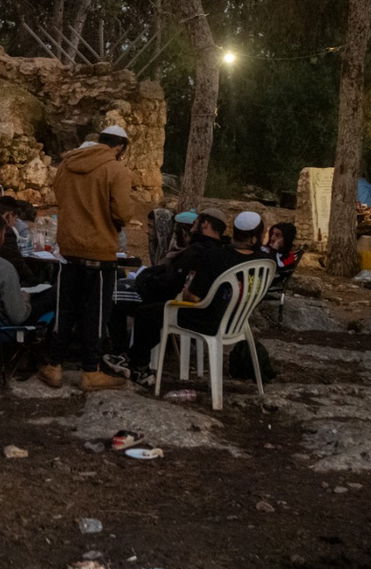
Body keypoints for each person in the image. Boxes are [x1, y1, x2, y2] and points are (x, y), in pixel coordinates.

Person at [121, 210, 269, 384]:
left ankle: (137, 365)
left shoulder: (216, 256)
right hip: (237, 321)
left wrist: (184, 293)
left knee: (146, 313)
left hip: (206, 320)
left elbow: (192, 297)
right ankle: (134, 361)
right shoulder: (265, 261)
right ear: (254, 238)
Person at [46, 124, 133, 392]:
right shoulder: (116, 170)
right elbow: (123, 212)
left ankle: (54, 366)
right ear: (119, 147)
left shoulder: (67, 165)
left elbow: (59, 197)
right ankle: (90, 371)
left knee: (65, 310)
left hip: (69, 249)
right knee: (96, 313)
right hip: (99, 251)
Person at [0, 195, 34, 282]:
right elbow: (17, 264)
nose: (15, 223)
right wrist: (34, 280)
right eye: (15, 219)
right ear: (9, 215)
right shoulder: (6, 232)